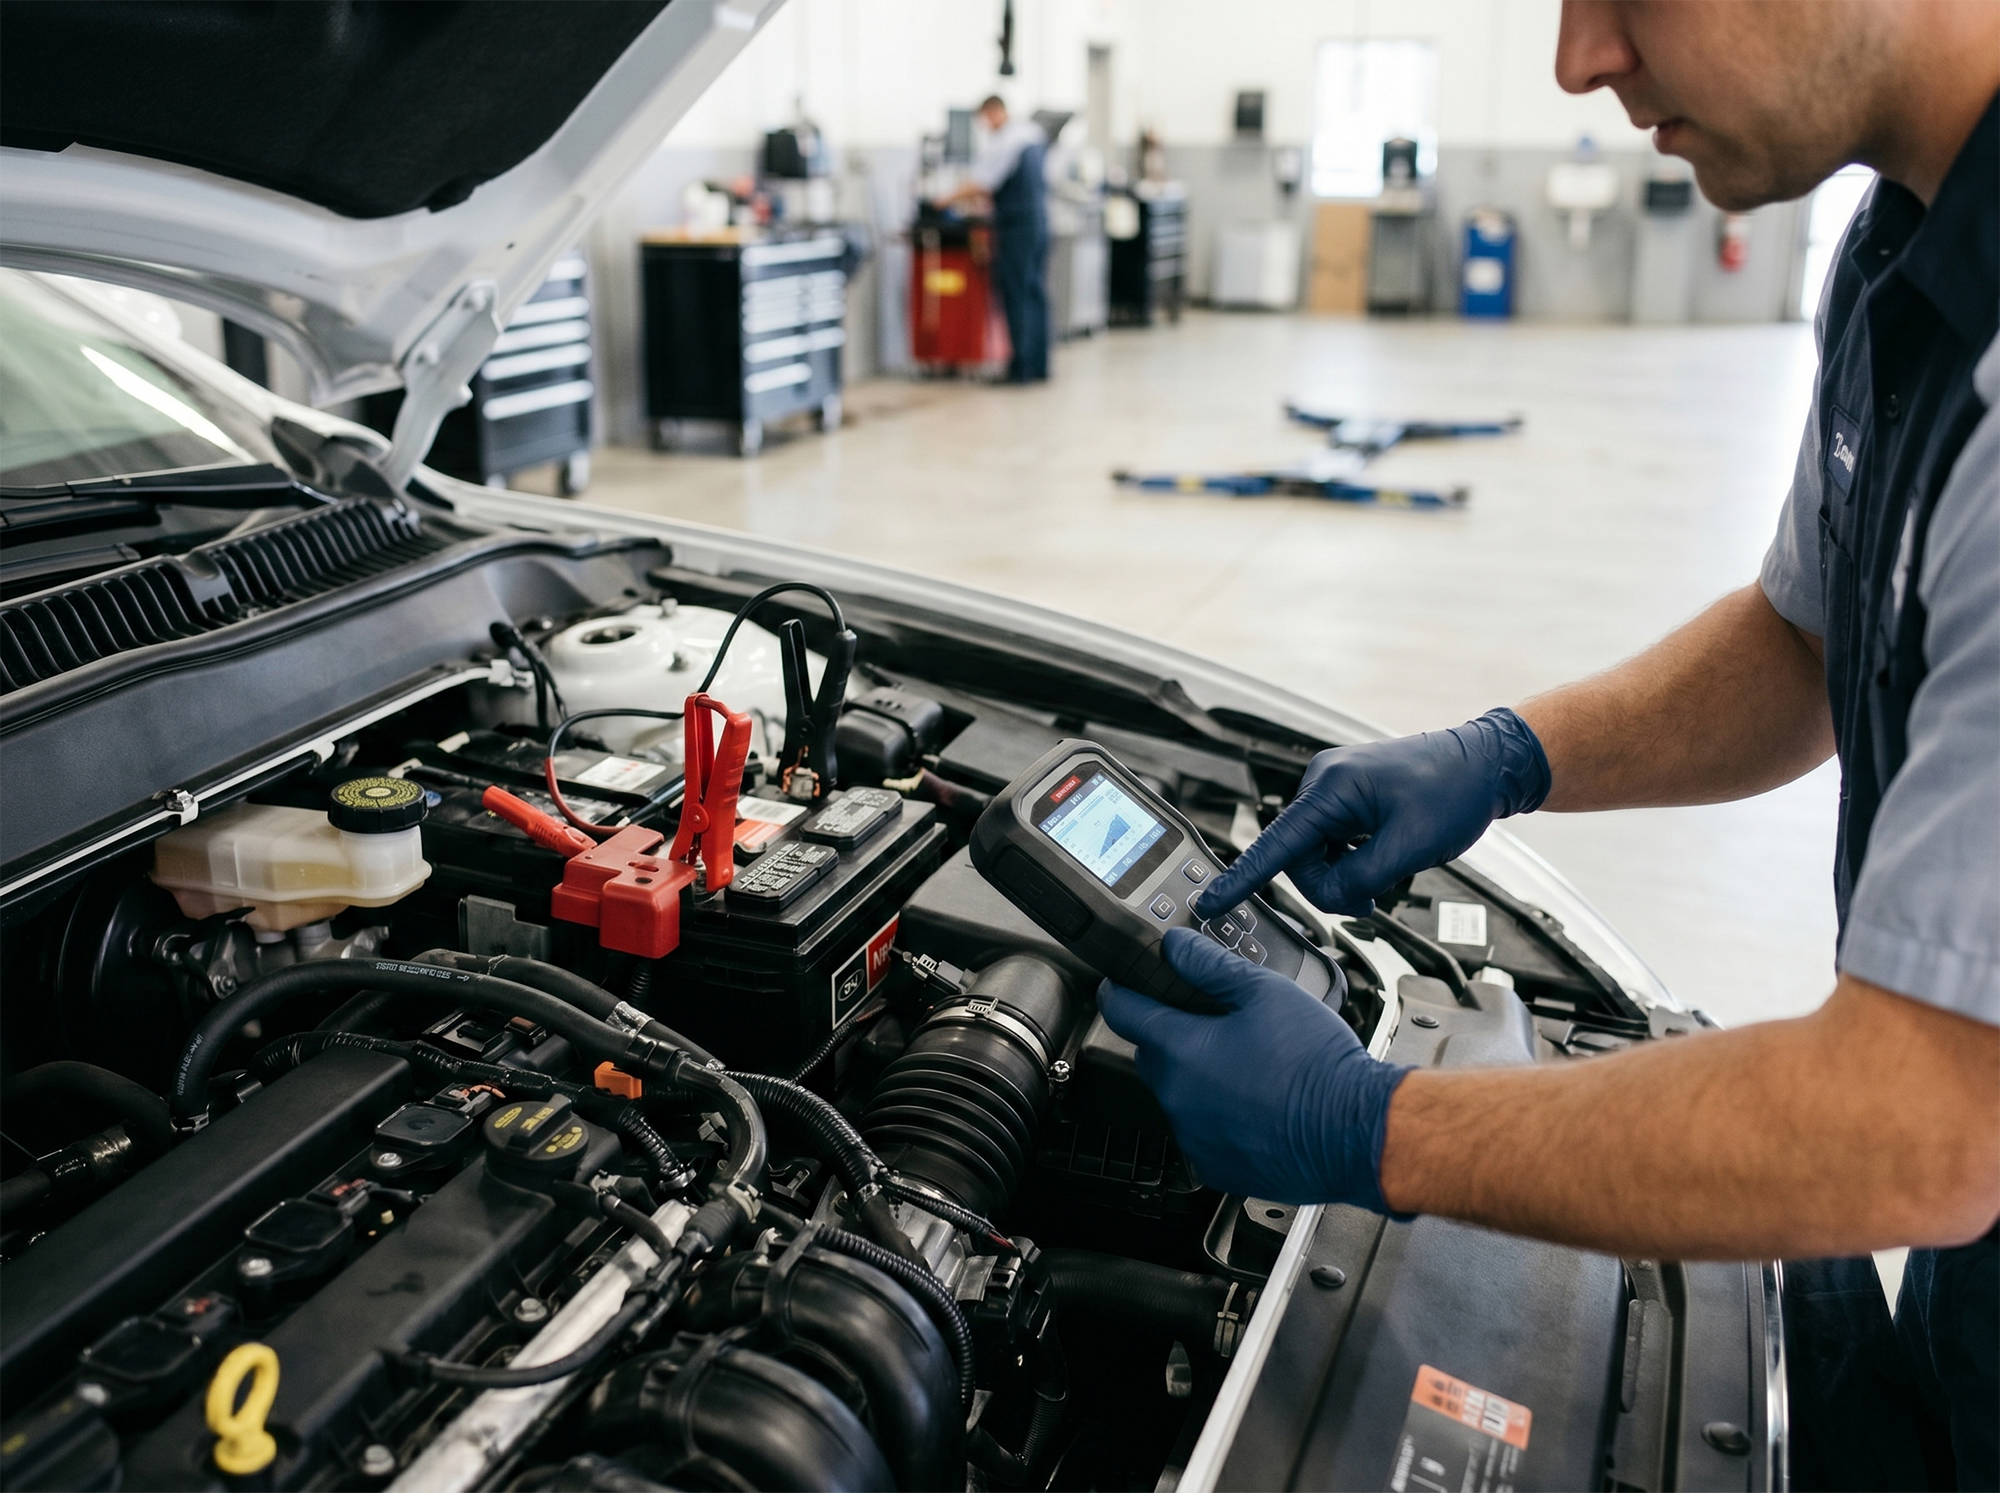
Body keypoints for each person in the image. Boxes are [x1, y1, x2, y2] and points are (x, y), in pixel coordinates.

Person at [1096, 0, 2000, 1483]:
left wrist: (1373, 1126)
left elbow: (1925, 1120)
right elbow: (1811, 638)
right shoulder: (1906, 245)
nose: (1580, 61)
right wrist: (1505, 754)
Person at [939, 96, 1050, 383]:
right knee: (1035, 294)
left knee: (1017, 294)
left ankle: (1020, 369)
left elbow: (982, 183)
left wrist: (943, 201)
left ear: (994, 112)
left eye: (984, 120)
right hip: (1039, 224)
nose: (985, 127)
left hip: (1017, 228)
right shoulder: (1032, 135)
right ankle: (1039, 365)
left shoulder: (1007, 141)